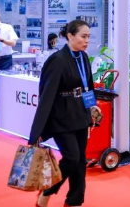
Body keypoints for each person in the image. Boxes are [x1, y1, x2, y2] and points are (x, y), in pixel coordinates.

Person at [30, 20, 99, 207]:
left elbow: (87, 86)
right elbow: (46, 94)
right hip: (60, 117)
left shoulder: (83, 57)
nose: (87, 41)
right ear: (70, 36)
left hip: (80, 115)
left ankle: (74, 201)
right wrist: (38, 128)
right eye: (83, 36)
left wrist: (92, 106)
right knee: (71, 157)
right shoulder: (57, 60)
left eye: (88, 37)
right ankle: (47, 190)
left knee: (80, 161)